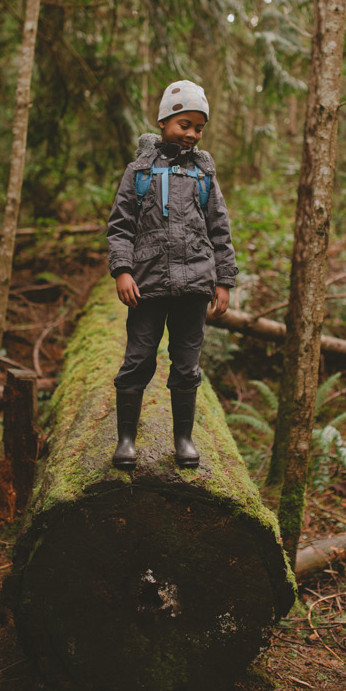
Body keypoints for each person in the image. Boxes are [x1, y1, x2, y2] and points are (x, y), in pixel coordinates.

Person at [107, 76, 237, 472]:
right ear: (164, 121)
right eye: (185, 125)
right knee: (139, 358)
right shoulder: (140, 171)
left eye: (199, 127)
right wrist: (123, 270)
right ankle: (126, 440)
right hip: (147, 286)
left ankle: (184, 439)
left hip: (195, 287)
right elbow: (120, 225)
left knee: (186, 364)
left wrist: (224, 280)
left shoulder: (203, 174)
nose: (192, 134)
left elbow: (220, 228)